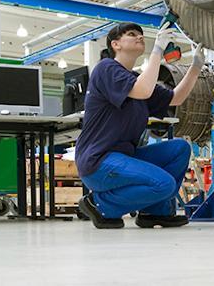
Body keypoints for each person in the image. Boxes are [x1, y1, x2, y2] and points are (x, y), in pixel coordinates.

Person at [75, 22, 205, 229]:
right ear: (116, 44)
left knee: (179, 149)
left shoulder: (137, 79)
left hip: (125, 156)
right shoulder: (106, 68)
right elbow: (142, 90)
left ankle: (154, 212)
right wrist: (157, 50)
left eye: (141, 35)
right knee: (164, 184)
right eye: (132, 34)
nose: (140, 37)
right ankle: (100, 204)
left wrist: (196, 67)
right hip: (99, 161)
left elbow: (176, 98)